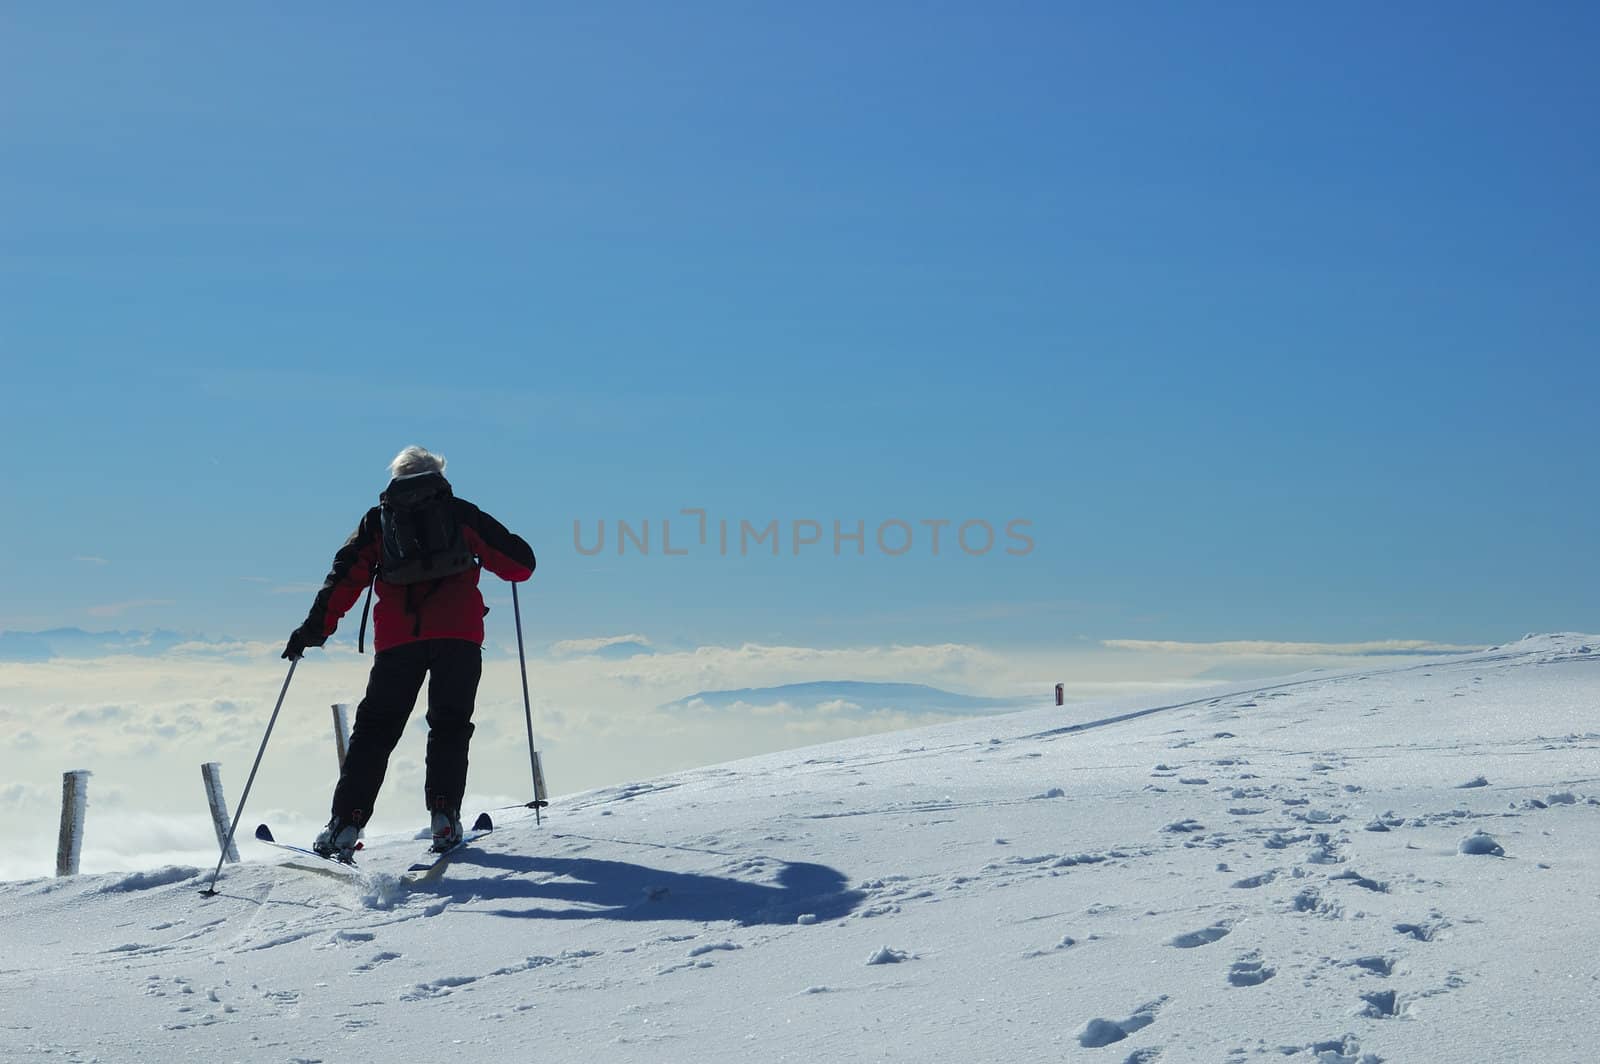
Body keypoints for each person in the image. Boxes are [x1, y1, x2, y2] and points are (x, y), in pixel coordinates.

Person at [282, 446, 535, 860]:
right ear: (438, 473)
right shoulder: (459, 512)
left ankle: (345, 824)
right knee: (450, 725)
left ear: (396, 476)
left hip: (399, 641)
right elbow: (520, 566)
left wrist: (313, 631)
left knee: (375, 730)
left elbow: (344, 578)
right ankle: (445, 817)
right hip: (460, 637)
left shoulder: (378, 521)